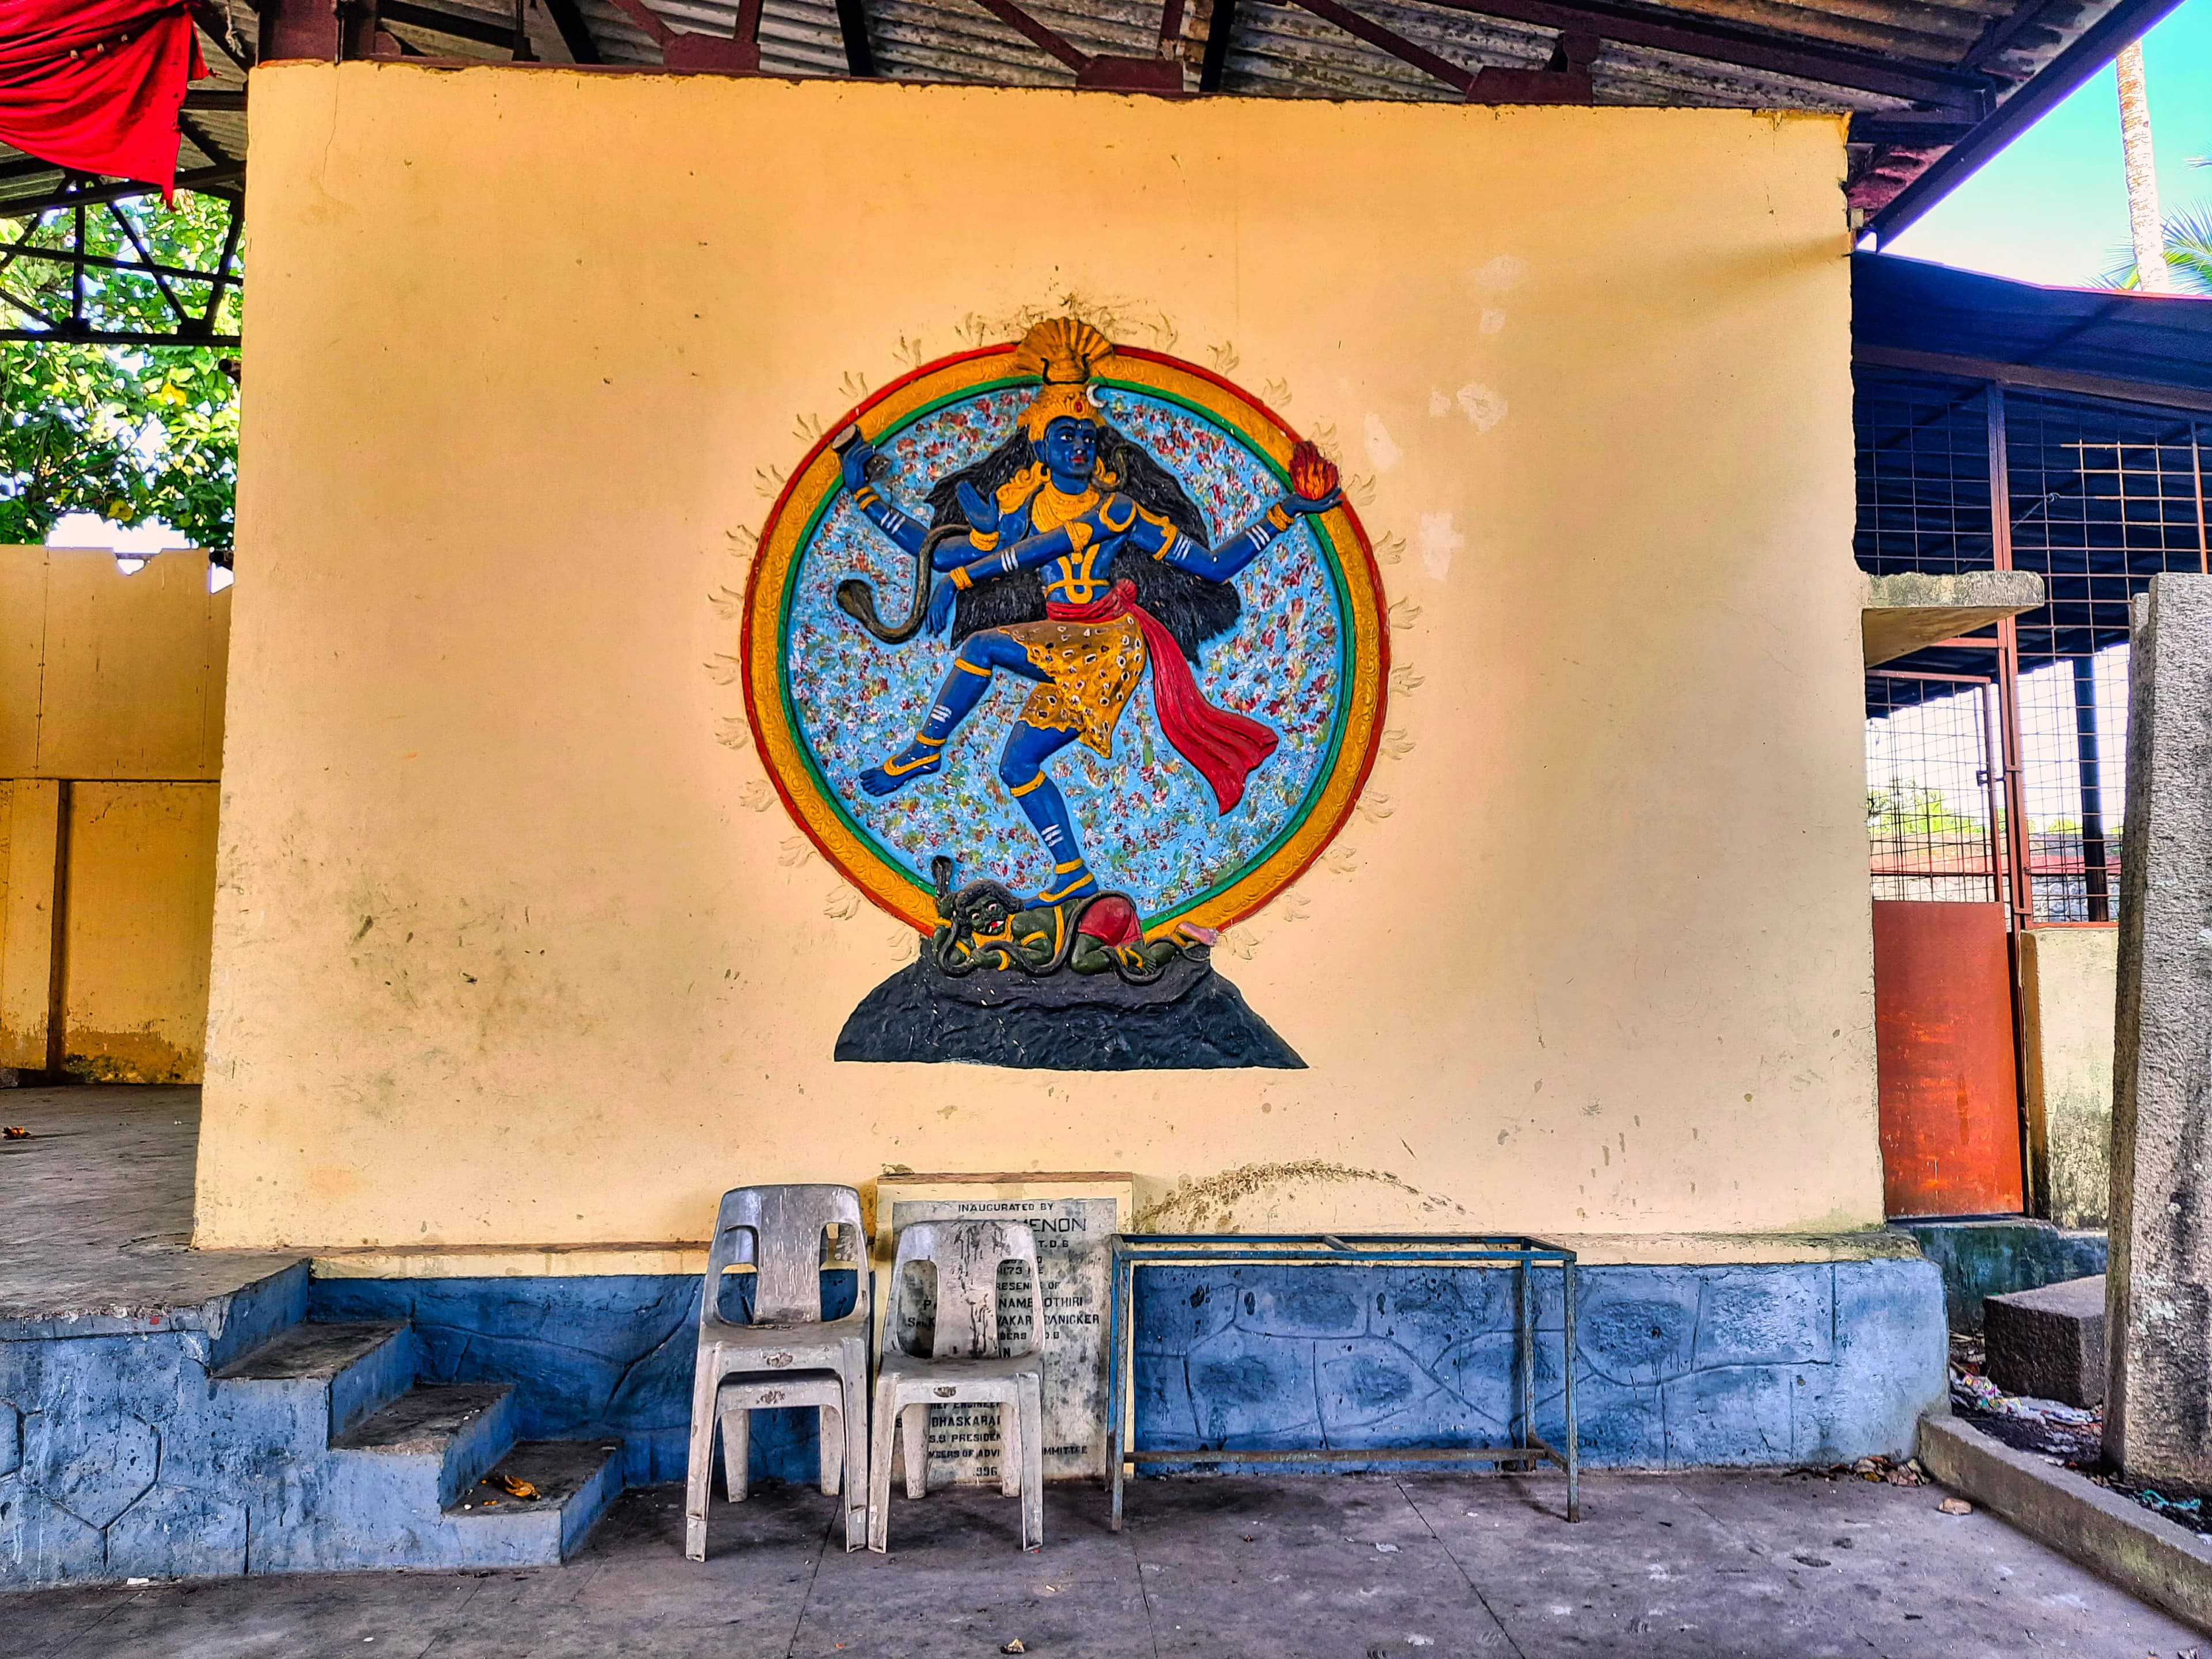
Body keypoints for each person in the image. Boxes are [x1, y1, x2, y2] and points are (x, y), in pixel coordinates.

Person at [839, 317, 1339, 914]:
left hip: (1106, 644)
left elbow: (1210, 566)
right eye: (1065, 435)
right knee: (1018, 763)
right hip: (1062, 649)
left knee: (982, 647)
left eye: (1086, 434)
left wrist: (1287, 511)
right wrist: (862, 494)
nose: (1078, 444)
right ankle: (1073, 874)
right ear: (1041, 446)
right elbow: (934, 549)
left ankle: (924, 748)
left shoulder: (1118, 512)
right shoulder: (1019, 512)